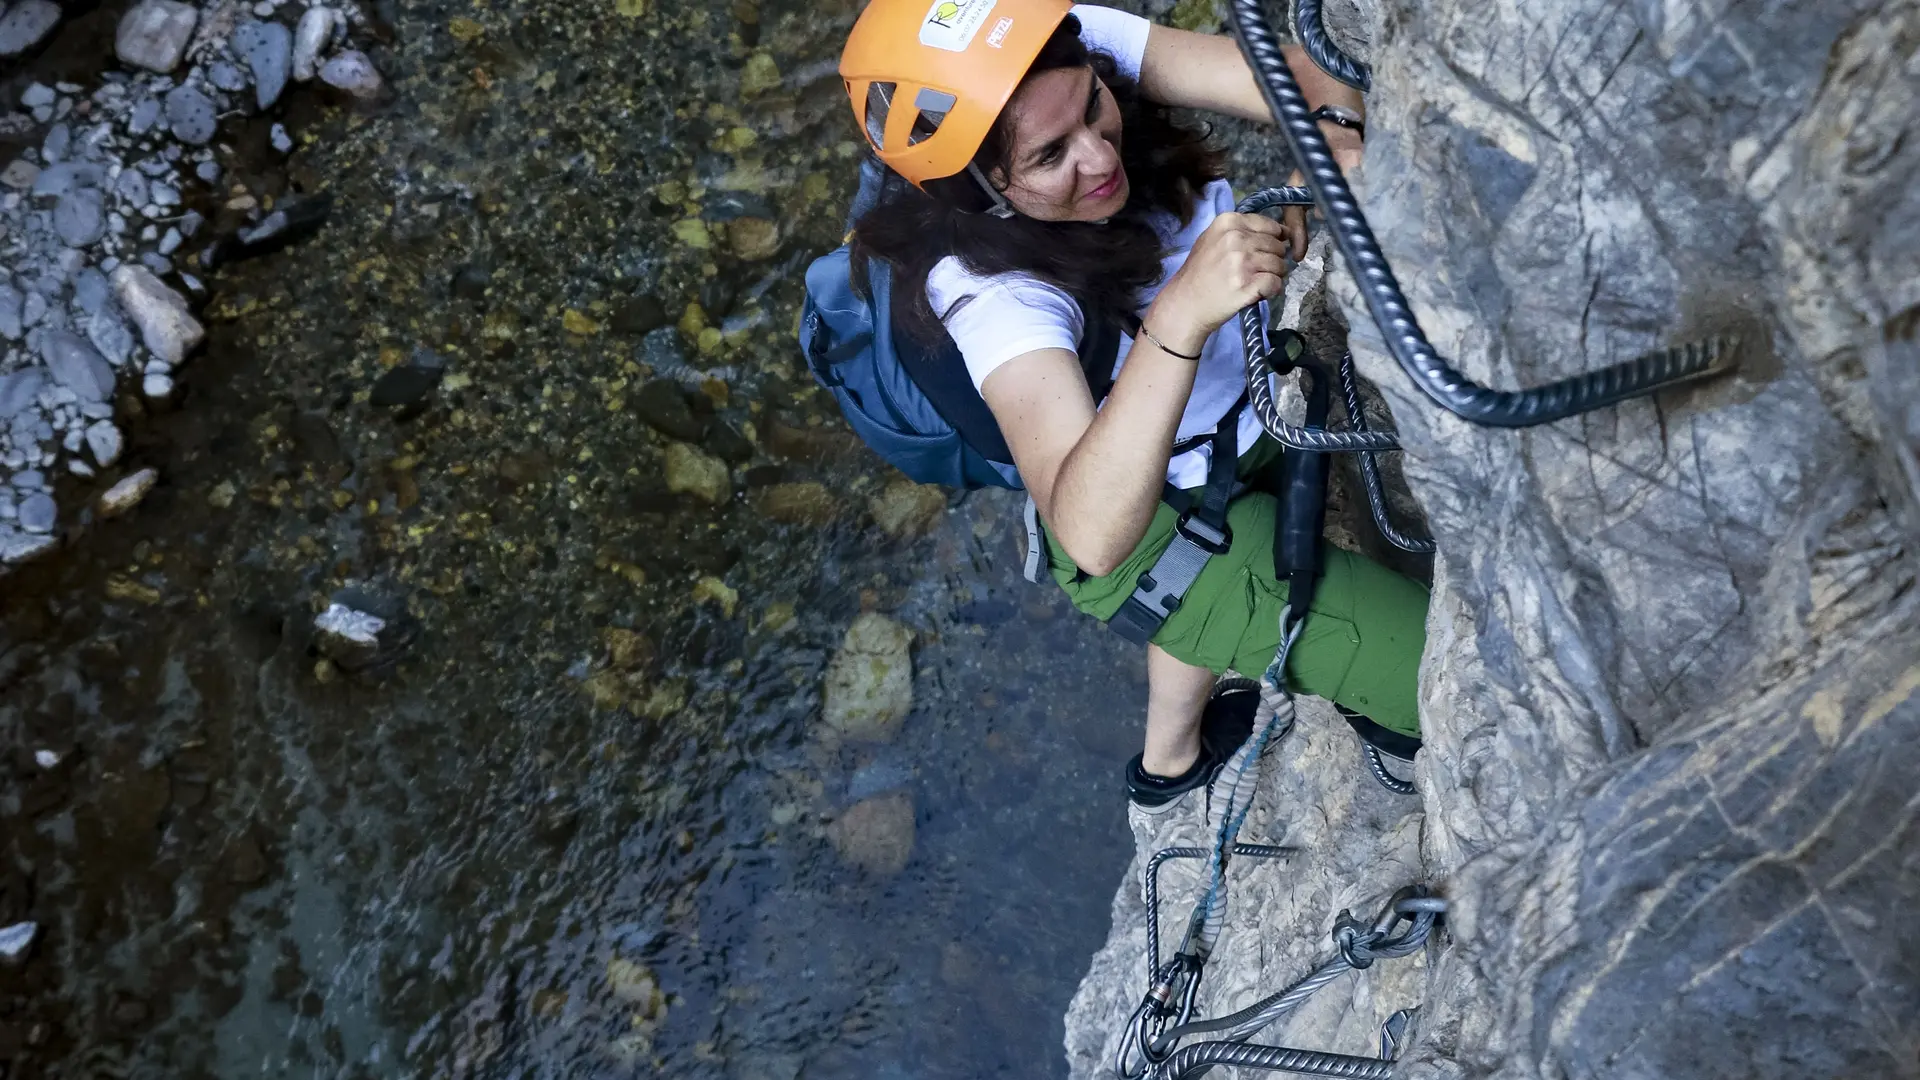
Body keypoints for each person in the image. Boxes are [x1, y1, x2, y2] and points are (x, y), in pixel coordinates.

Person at [839, 0, 1430, 813]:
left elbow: (1306, 73)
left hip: (1223, 427)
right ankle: (1394, 736)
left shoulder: (1055, 52)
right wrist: (1180, 317)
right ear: (983, 191)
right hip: (1138, 515)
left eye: (1093, 107)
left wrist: (1312, 155)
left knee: (1214, 558)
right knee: (1435, 671)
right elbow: (1091, 533)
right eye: (1051, 158)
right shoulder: (991, 297)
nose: (1097, 155)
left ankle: (1170, 762)